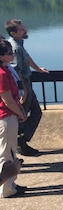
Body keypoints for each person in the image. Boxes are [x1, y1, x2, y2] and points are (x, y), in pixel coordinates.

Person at [5, 19, 49, 157]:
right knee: (21, 115)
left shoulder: (19, 44)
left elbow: (27, 58)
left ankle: (22, 141)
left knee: (36, 112)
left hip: (26, 84)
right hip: (23, 86)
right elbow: (15, 70)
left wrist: (38, 69)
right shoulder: (14, 47)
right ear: (13, 33)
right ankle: (19, 143)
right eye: (21, 29)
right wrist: (23, 90)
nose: (25, 30)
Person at [0, 39, 27, 198]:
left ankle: (11, 183)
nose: (12, 55)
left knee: (10, 150)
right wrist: (20, 112)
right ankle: (7, 188)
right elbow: (7, 99)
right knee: (6, 152)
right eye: (9, 53)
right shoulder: (2, 73)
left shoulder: (5, 69)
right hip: (5, 117)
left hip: (9, 115)